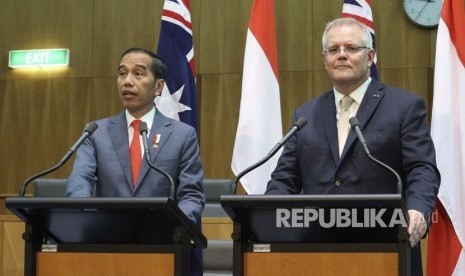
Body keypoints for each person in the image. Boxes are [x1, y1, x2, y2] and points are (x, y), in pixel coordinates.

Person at [265, 18, 440, 276]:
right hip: (316, 251)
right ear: (325, 60)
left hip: (386, 244)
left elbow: (422, 169)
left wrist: (416, 211)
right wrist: (267, 215)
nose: (342, 55)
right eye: (333, 50)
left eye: (351, 48)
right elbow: (285, 178)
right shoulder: (305, 115)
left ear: (370, 57)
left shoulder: (403, 107)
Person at [67, 47, 205, 275]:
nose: (127, 81)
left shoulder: (183, 135)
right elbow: (79, 184)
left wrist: (177, 228)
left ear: (158, 87)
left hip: (164, 249)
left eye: (138, 74)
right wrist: (85, 222)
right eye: (122, 73)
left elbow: (191, 194)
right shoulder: (95, 132)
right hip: (105, 248)